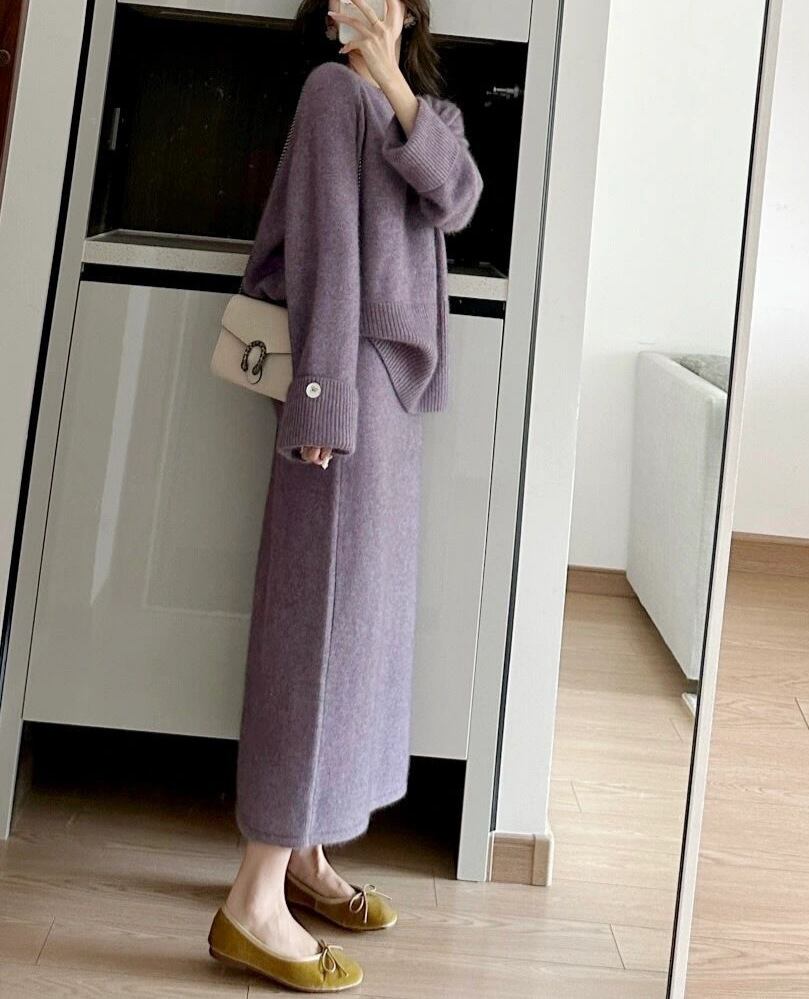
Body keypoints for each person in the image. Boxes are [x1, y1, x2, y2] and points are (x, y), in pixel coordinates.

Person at [207, 0, 483, 990]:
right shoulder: (330, 96)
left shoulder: (427, 116)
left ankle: (307, 856)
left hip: (390, 407)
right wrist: (320, 397)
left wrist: (395, 79)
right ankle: (252, 899)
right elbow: (325, 255)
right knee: (316, 633)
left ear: (408, 10)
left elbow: (459, 199)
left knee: (357, 634)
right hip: (345, 392)